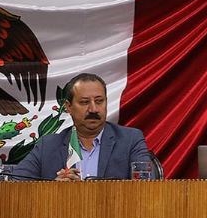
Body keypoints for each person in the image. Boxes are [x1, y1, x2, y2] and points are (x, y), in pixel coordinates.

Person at [15, 73, 151, 180]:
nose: (93, 109)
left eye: (99, 101)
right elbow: (13, 183)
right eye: (85, 102)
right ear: (68, 107)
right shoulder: (48, 146)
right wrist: (53, 189)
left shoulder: (130, 139)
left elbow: (149, 183)